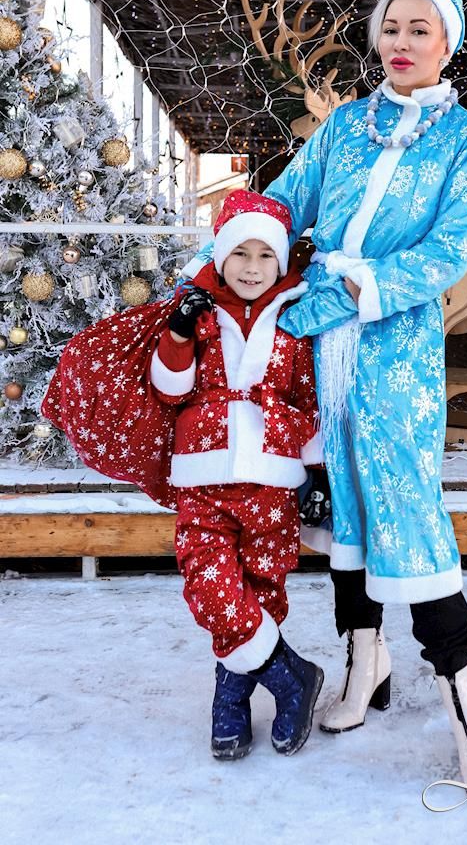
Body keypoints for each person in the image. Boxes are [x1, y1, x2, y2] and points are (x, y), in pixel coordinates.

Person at [262, 0, 467, 797]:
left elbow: (446, 253)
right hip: (317, 345)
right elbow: (284, 203)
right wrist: (230, 258)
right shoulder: (344, 125)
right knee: (338, 500)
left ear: (448, 44)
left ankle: (465, 702)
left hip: (395, 349)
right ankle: (363, 662)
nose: (402, 42)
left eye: (420, 29)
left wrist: (349, 293)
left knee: (405, 503)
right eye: (391, 27)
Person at [43, 191, 325, 762]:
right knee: (210, 586)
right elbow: (170, 389)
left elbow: (308, 399)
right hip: (203, 473)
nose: (252, 268)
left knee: (262, 590)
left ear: (280, 262)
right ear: (221, 257)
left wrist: (316, 476)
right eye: (240, 253)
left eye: (265, 256)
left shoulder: (297, 318)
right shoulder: (197, 311)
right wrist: (176, 333)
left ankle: (232, 699)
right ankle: (291, 675)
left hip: (273, 476)